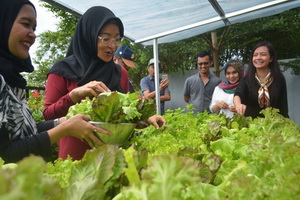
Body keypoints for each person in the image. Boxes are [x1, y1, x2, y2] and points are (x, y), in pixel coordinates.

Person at [43, 6, 166, 160]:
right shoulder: (63, 70)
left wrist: (146, 117)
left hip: (113, 155)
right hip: (76, 156)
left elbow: (126, 114)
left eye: (117, 39)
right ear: (89, 36)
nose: (112, 45)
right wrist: (73, 95)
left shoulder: (120, 73)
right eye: (106, 38)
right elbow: (48, 116)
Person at [0, 0, 112, 164]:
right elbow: (6, 153)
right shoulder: (61, 70)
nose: (32, 34)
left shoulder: (11, 82)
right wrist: (65, 127)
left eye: (34, 28)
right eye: (26, 24)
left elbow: (25, 130)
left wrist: (62, 121)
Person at [234, 41, 289, 118]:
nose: (258, 58)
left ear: (271, 58)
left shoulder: (279, 78)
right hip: (251, 125)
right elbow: (238, 94)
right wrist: (238, 105)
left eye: (263, 54)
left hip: (273, 124)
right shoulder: (247, 79)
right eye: (255, 55)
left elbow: (283, 106)